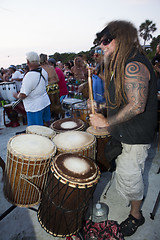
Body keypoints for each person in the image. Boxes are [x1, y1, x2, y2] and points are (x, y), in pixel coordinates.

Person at [89, 20, 157, 237]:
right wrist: (100, 108)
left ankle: (136, 216)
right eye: (101, 42)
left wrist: (105, 122)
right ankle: (129, 195)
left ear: (122, 38)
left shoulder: (133, 65)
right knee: (123, 171)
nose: (103, 46)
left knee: (132, 178)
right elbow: (122, 100)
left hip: (135, 136)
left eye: (107, 40)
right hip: (123, 131)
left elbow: (137, 105)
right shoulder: (120, 65)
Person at [13, 51, 51, 126]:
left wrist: (16, 96)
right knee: (46, 125)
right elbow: (45, 85)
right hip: (45, 102)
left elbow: (23, 95)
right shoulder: (43, 71)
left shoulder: (29, 76)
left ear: (27, 62)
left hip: (35, 107)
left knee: (36, 130)